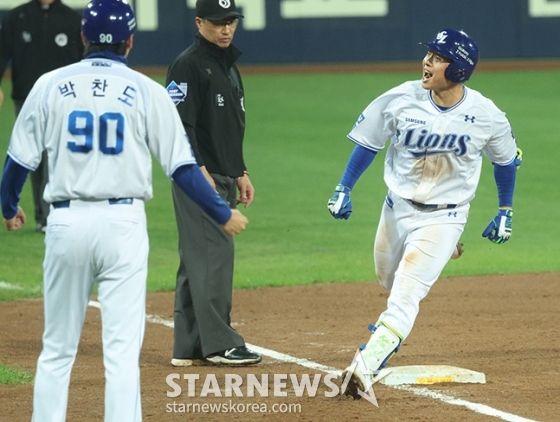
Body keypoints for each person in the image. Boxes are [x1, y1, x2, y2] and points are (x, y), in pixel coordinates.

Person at [0, 0, 248, 420]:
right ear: (129, 41)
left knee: (57, 350)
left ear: (83, 37)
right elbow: (183, 169)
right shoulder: (147, 91)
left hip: (65, 223)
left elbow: (18, 162)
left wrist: (9, 206)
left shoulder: (48, 84)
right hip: (123, 226)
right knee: (120, 353)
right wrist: (222, 213)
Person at [327, 28, 522, 399]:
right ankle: (442, 248)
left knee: (405, 292)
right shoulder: (401, 98)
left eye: (438, 56)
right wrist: (343, 186)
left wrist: (505, 210)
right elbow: (369, 143)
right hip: (396, 209)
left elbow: (506, 160)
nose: (427, 62)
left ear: (460, 69)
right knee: (386, 278)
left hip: (446, 215)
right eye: (428, 54)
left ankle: (365, 365)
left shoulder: (485, 114)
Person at [165, 0, 261, 366]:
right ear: (199, 21)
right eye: (218, 22)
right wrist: (198, 169)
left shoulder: (227, 65)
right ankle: (221, 344)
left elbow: (226, 128)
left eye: (231, 21)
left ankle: (188, 346)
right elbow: (180, 125)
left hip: (223, 174)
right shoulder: (187, 64)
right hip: (198, 178)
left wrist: (240, 171)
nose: (226, 29)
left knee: (197, 260)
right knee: (214, 256)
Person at [0, 0, 83, 233]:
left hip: (65, 99)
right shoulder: (17, 16)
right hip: (26, 96)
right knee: (31, 156)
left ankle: (54, 213)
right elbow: (1, 52)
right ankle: (43, 215)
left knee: (59, 155)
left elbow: (82, 57)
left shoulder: (71, 18)